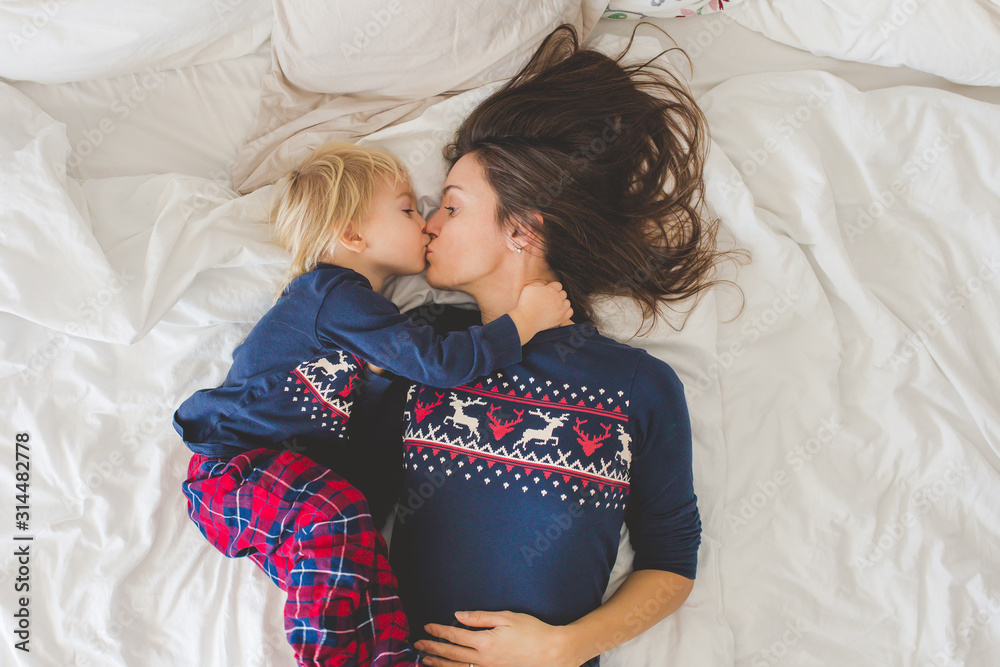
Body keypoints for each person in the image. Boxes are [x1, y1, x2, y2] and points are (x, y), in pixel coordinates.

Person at [358, 24, 740, 666]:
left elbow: (672, 558)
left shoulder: (637, 386)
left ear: (522, 230)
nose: (429, 223)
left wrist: (563, 648)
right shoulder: (419, 351)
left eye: (451, 207)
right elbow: (350, 506)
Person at [172, 142, 573, 667]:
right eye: (408, 209)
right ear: (354, 235)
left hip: (298, 496)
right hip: (238, 473)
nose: (427, 222)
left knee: (370, 574)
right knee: (338, 514)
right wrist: (522, 323)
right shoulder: (331, 295)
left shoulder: (372, 323)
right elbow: (438, 363)